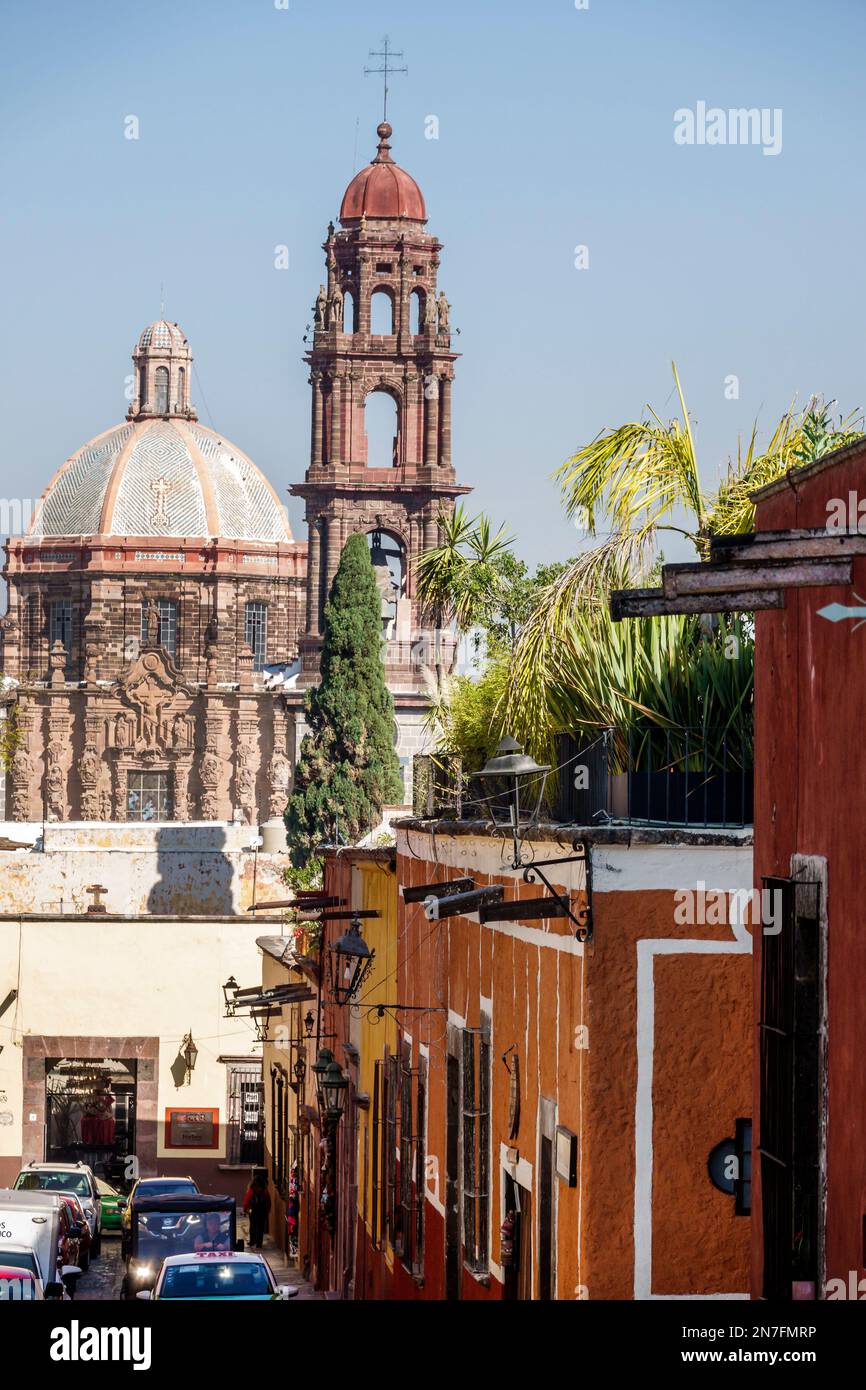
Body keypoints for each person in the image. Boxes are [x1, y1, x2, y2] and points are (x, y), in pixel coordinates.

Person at [243, 1172, 271, 1250]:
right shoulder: (265, 1190)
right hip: (262, 1211)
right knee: (260, 1227)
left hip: (253, 1211)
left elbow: (246, 1200)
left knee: (253, 1226)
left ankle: (252, 1241)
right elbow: (268, 1201)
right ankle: (259, 1243)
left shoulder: (251, 1189)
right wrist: (267, 1210)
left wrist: (245, 1210)